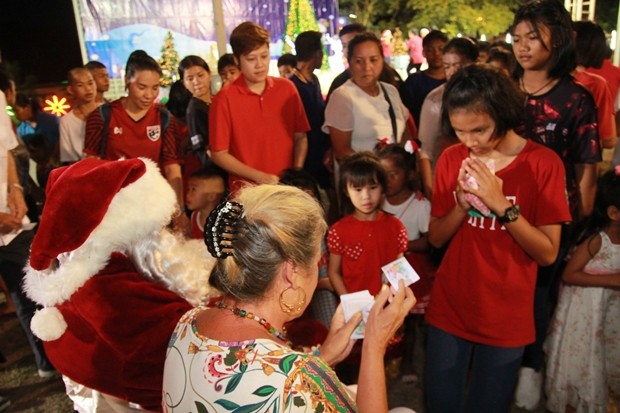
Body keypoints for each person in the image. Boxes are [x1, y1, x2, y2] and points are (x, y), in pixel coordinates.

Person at [162, 183, 416, 412]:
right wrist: (374, 344)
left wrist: (324, 357)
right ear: (292, 272)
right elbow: (287, 385)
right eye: (317, 262)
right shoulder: (295, 379)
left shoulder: (188, 322)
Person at [425, 64, 570, 412]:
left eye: (479, 130)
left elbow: (548, 253)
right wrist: (460, 206)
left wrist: (500, 205)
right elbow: (436, 238)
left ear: (503, 115)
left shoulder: (543, 164)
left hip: (506, 314)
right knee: (441, 403)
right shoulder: (451, 158)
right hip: (451, 305)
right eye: (460, 131)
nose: (469, 142)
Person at [23, 157, 216, 412]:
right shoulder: (115, 292)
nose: (168, 233)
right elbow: (179, 364)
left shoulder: (83, 269)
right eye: (161, 226)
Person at [511, 2, 601, 407]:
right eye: (517, 38)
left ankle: (531, 372)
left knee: (537, 296)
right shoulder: (503, 88)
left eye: (533, 38)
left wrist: (579, 220)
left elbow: (587, 166)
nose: (523, 47)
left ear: (558, 41)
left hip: (552, 216)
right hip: (499, 210)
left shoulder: (577, 98)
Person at [83, 50, 186, 232]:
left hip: (153, 208)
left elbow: (172, 167)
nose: (149, 95)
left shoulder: (164, 119)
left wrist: (177, 210)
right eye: (142, 87)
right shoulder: (102, 116)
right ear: (127, 82)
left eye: (155, 88)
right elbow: (89, 165)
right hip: (114, 208)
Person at [544, 168, 620, 413]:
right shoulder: (596, 240)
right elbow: (569, 274)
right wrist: (611, 280)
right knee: (580, 368)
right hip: (584, 317)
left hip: (607, 314)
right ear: (614, 213)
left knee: (602, 367)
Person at [0, 69, 56, 379]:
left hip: (13, 223)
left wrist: (16, 190)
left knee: (30, 291)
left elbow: (5, 151)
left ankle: (46, 361)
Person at [209, 22, 309, 193]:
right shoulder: (224, 99)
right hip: (247, 195)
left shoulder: (286, 89)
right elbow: (219, 154)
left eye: (264, 56)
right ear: (237, 60)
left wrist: (295, 173)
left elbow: (300, 137)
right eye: (251, 59)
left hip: (287, 190)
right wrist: (260, 177)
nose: (260, 65)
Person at [377, 143, 432, 384]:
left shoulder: (420, 205)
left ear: (409, 174)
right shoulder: (376, 202)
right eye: (382, 174)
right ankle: (387, 359)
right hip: (382, 271)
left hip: (412, 271)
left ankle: (409, 361)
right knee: (387, 316)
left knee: (409, 320)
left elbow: (430, 241)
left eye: (393, 174)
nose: (387, 180)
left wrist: (402, 246)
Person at [328, 151, 408, 297]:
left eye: (373, 187)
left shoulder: (396, 226)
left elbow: (399, 270)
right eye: (358, 189)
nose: (366, 196)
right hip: (355, 311)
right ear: (346, 191)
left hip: (388, 305)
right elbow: (333, 272)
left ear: (382, 187)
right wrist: (348, 301)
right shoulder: (338, 231)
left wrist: (389, 297)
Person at [323, 32, 410, 162]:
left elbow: (404, 132)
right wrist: (379, 168)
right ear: (349, 63)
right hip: (363, 180)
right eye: (359, 61)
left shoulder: (391, 91)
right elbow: (341, 151)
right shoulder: (343, 97)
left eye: (373, 60)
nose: (367, 67)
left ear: (382, 60)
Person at [279, 168, 338, 329]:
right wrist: (323, 283)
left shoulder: (324, 230)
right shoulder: (282, 238)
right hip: (291, 301)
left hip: (323, 296)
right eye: (299, 201)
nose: (308, 207)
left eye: (311, 199)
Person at [417, 37, 478, 168]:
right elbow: (426, 150)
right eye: (447, 67)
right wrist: (429, 185)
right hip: (447, 168)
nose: (452, 72)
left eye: (458, 66)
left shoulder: (486, 95)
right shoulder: (435, 99)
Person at [289, 31, 332, 193]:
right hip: (305, 160)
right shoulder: (293, 86)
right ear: (316, 53)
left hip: (321, 156)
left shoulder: (314, 81)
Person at [399, 30, 448, 128]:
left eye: (441, 49)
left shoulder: (455, 82)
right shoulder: (413, 82)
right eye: (430, 50)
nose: (436, 54)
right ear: (424, 52)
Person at [179, 55, 213, 168]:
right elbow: (203, 149)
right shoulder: (194, 109)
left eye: (200, 75)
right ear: (183, 83)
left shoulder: (217, 101)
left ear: (209, 74)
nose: (196, 82)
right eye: (190, 78)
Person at [59, 67, 98, 164]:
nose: (88, 89)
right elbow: (68, 158)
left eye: (90, 83)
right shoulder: (66, 121)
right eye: (80, 85)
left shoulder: (108, 112)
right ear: (71, 89)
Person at [185, 167, 227, 240]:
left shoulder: (223, 223)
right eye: (188, 189)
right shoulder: (194, 216)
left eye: (193, 189)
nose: (187, 194)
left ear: (211, 196)